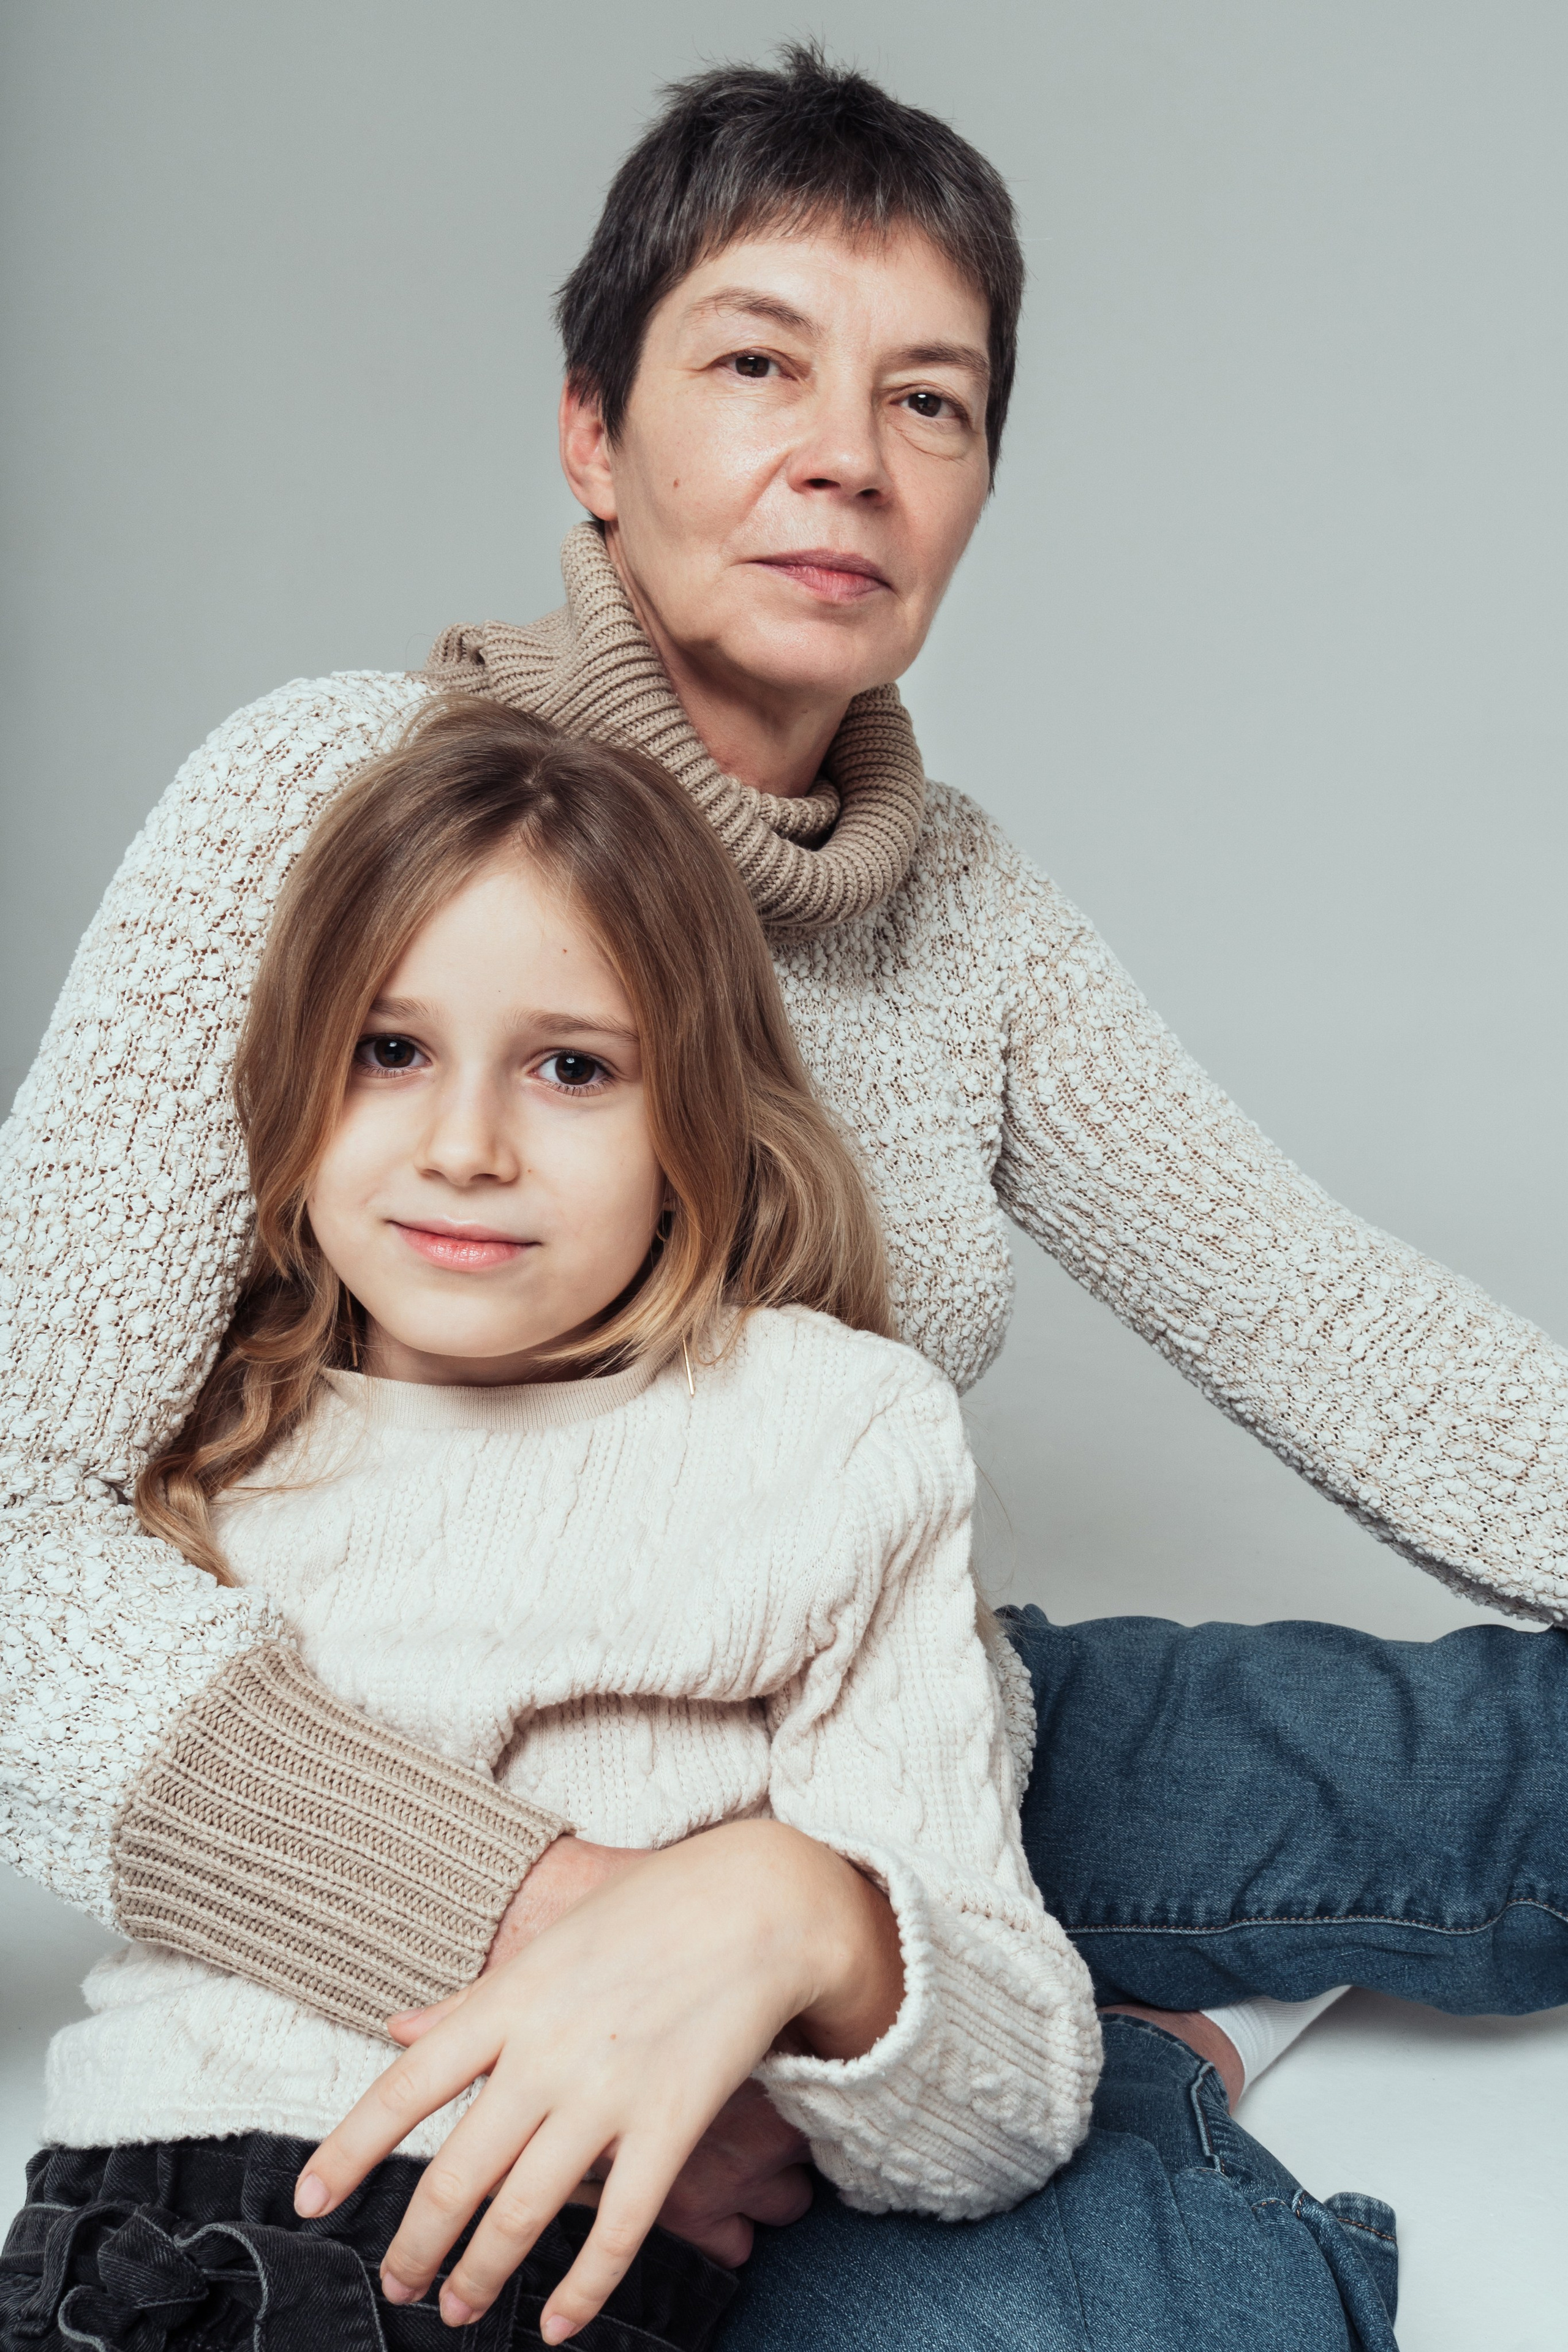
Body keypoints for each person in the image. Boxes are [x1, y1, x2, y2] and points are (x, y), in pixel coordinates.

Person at [1, 42, 1562, 2350]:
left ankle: (1057, 2054)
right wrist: (570, 1929)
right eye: (756, 363)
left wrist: (805, 1920)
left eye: (931, 402)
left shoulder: (973, 924)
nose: (848, 451)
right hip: (420, 1824)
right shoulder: (329, 805)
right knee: (1139, 2301)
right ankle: (1127, 2103)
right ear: (593, 433)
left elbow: (1323, 1314)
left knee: (1490, 1769)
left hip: (879, 1750)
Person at [4, 701, 1101, 2347]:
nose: (464, 1147)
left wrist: (801, 1912)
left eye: (572, 1067)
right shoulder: (217, 1433)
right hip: (120, 2237)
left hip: (518, 2270)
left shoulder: (830, 1434)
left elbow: (1008, 2086)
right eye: (390, 1050)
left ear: (697, 1121)